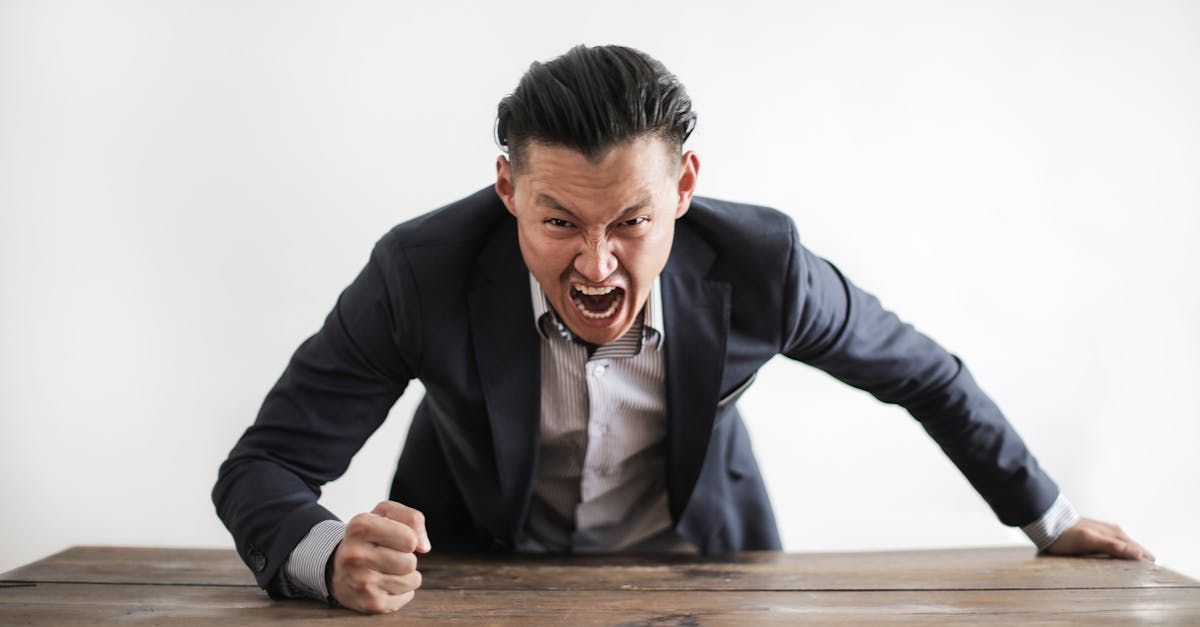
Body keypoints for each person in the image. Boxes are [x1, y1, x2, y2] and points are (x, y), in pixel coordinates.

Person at [212, 44, 1155, 615]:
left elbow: (924, 374)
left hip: (705, 572)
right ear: (508, 191)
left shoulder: (764, 268)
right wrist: (328, 555)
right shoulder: (420, 273)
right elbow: (261, 468)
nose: (595, 265)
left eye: (631, 221)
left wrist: (1050, 517)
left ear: (685, 191)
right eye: (557, 222)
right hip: (472, 577)